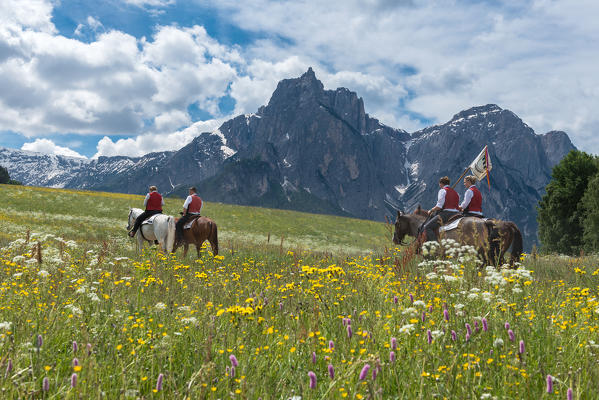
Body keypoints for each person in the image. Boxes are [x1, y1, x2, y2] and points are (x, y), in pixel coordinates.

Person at [422, 176, 460, 242]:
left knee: (427, 227)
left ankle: (436, 245)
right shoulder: (455, 192)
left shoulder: (442, 190)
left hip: (447, 213)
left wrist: (431, 210)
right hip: (457, 213)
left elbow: (439, 206)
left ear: (441, 183)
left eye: (439, 183)